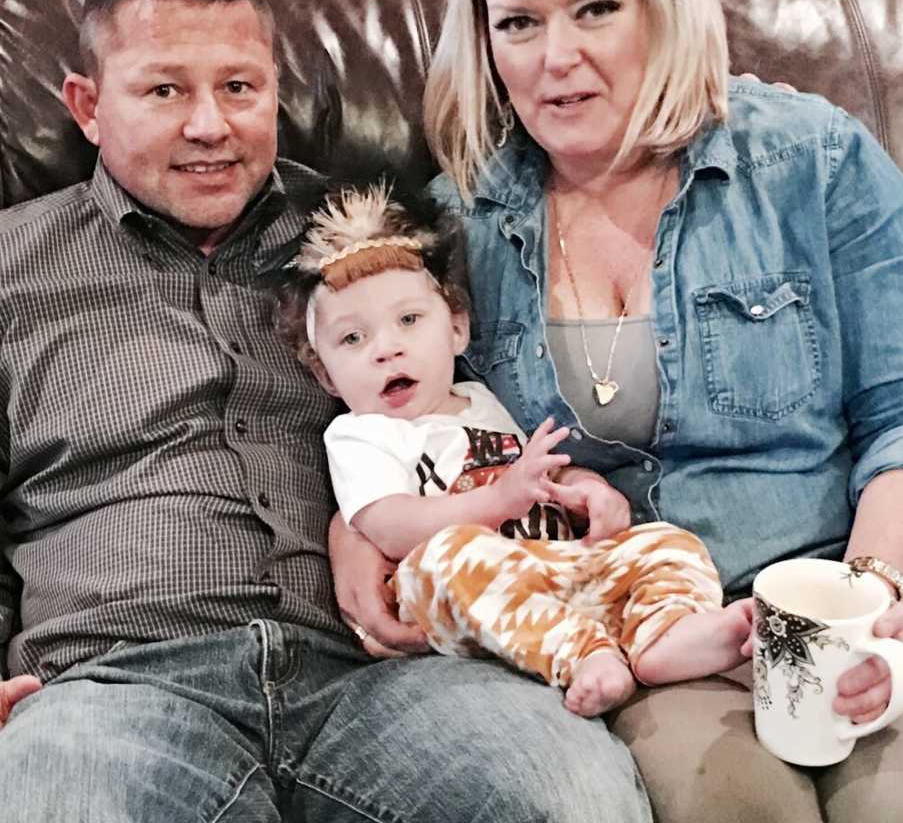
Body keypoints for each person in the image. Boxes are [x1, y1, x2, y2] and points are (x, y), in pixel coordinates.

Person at [0, 0, 652, 823]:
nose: (210, 126)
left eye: (238, 87)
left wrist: (488, 508)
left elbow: (481, 419)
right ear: (88, 106)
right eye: (163, 90)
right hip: (112, 693)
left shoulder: (371, 247)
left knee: (570, 795)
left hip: (388, 679)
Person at [332, 0, 903, 823]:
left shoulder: (810, 161)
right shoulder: (464, 224)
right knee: (735, 809)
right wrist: (352, 526)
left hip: (856, 571)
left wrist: (862, 599)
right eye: (519, 24)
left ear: (662, 7)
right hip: (658, 623)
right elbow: (410, 415)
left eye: (596, 9)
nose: (555, 58)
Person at [273, 180, 754, 717]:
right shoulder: (362, 434)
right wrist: (498, 502)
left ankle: (664, 633)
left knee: (667, 540)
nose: (387, 349)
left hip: (549, 569)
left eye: (409, 320)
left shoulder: (478, 399)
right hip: (453, 595)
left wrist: (585, 490)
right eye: (352, 340)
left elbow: (535, 472)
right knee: (456, 555)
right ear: (326, 376)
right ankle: (584, 656)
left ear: (457, 329)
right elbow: (390, 525)